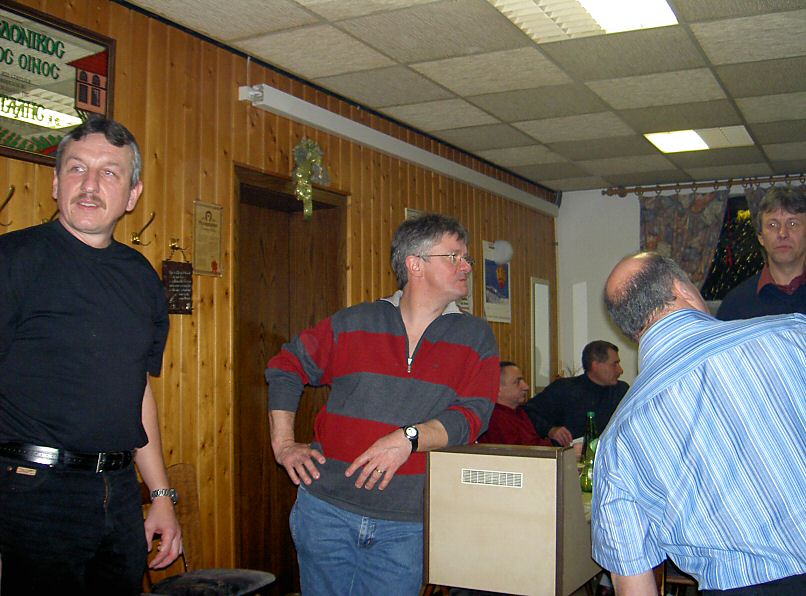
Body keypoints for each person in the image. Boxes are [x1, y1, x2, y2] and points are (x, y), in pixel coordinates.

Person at [266, 213, 499, 595]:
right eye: (454, 256)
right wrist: (284, 445)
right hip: (326, 513)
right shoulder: (354, 322)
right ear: (415, 264)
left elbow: (473, 416)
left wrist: (408, 438)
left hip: (407, 523)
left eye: (466, 257)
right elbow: (286, 366)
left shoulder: (476, 336)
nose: (467, 266)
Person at [0, 117, 182, 594]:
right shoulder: (13, 260)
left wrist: (161, 495)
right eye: (77, 168)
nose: (90, 184)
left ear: (132, 194)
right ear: (56, 182)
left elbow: (136, 393)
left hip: (118, 493)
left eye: (109, 172)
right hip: (31, 492)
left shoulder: (141, 278)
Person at [592, 251, 806, 596]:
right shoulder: (792, 336)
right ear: (682, 288)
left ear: (630, 330)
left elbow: (633, 583)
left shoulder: (617, 439)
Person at [717, 186, 806, 319]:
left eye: (793, 224)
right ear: (761, 237)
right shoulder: (735, 305)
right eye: (772, 225)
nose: (782, 233)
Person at [524, 341, 627, 447]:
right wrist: (550, 430)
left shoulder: (622, 391)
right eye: (615, 364)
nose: (620, 370)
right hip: (570, 455)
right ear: (595, 365)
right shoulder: (564, 389)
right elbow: (529, 411)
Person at [478, 361, 551, 446]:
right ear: (497, 388)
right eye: (517, 382)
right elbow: (519, 450)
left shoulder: (519, 412)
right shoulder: (494, 418)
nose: (526, 387)